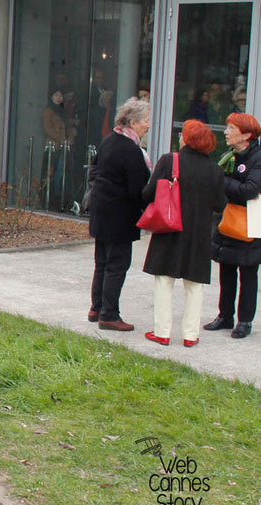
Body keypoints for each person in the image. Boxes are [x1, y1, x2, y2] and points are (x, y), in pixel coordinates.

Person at [142, 120, 227, 347]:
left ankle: (162, 332)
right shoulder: (215, 170)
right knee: (194, 286)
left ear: (187, 139)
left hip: (169, 229)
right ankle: (190, 335)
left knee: (164, 281)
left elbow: (149, 193)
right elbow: (220, 204)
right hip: (199, 234)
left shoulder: (170, 161)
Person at [88, 97, 152, 331]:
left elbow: (94, 171)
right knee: (116, 265)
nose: (148, 125)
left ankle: (96, 308)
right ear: (133, 122)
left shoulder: (108, 141)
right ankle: (109, 315)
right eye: (145, 120)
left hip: (101, 211)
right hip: (120, 217)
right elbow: (138, 189)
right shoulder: (131, 150)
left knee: (102, 263)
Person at [204, 113, 261, 339]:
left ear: (246, 134)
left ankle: (245, 321)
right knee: (226, 268)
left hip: (249, 224)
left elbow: (250, 190)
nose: (226, 132)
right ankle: (225, 316)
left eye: (231, 128)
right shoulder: (230, 155)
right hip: (228, 221)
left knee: (247, 272)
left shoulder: (257, 157)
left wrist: (222, 180)